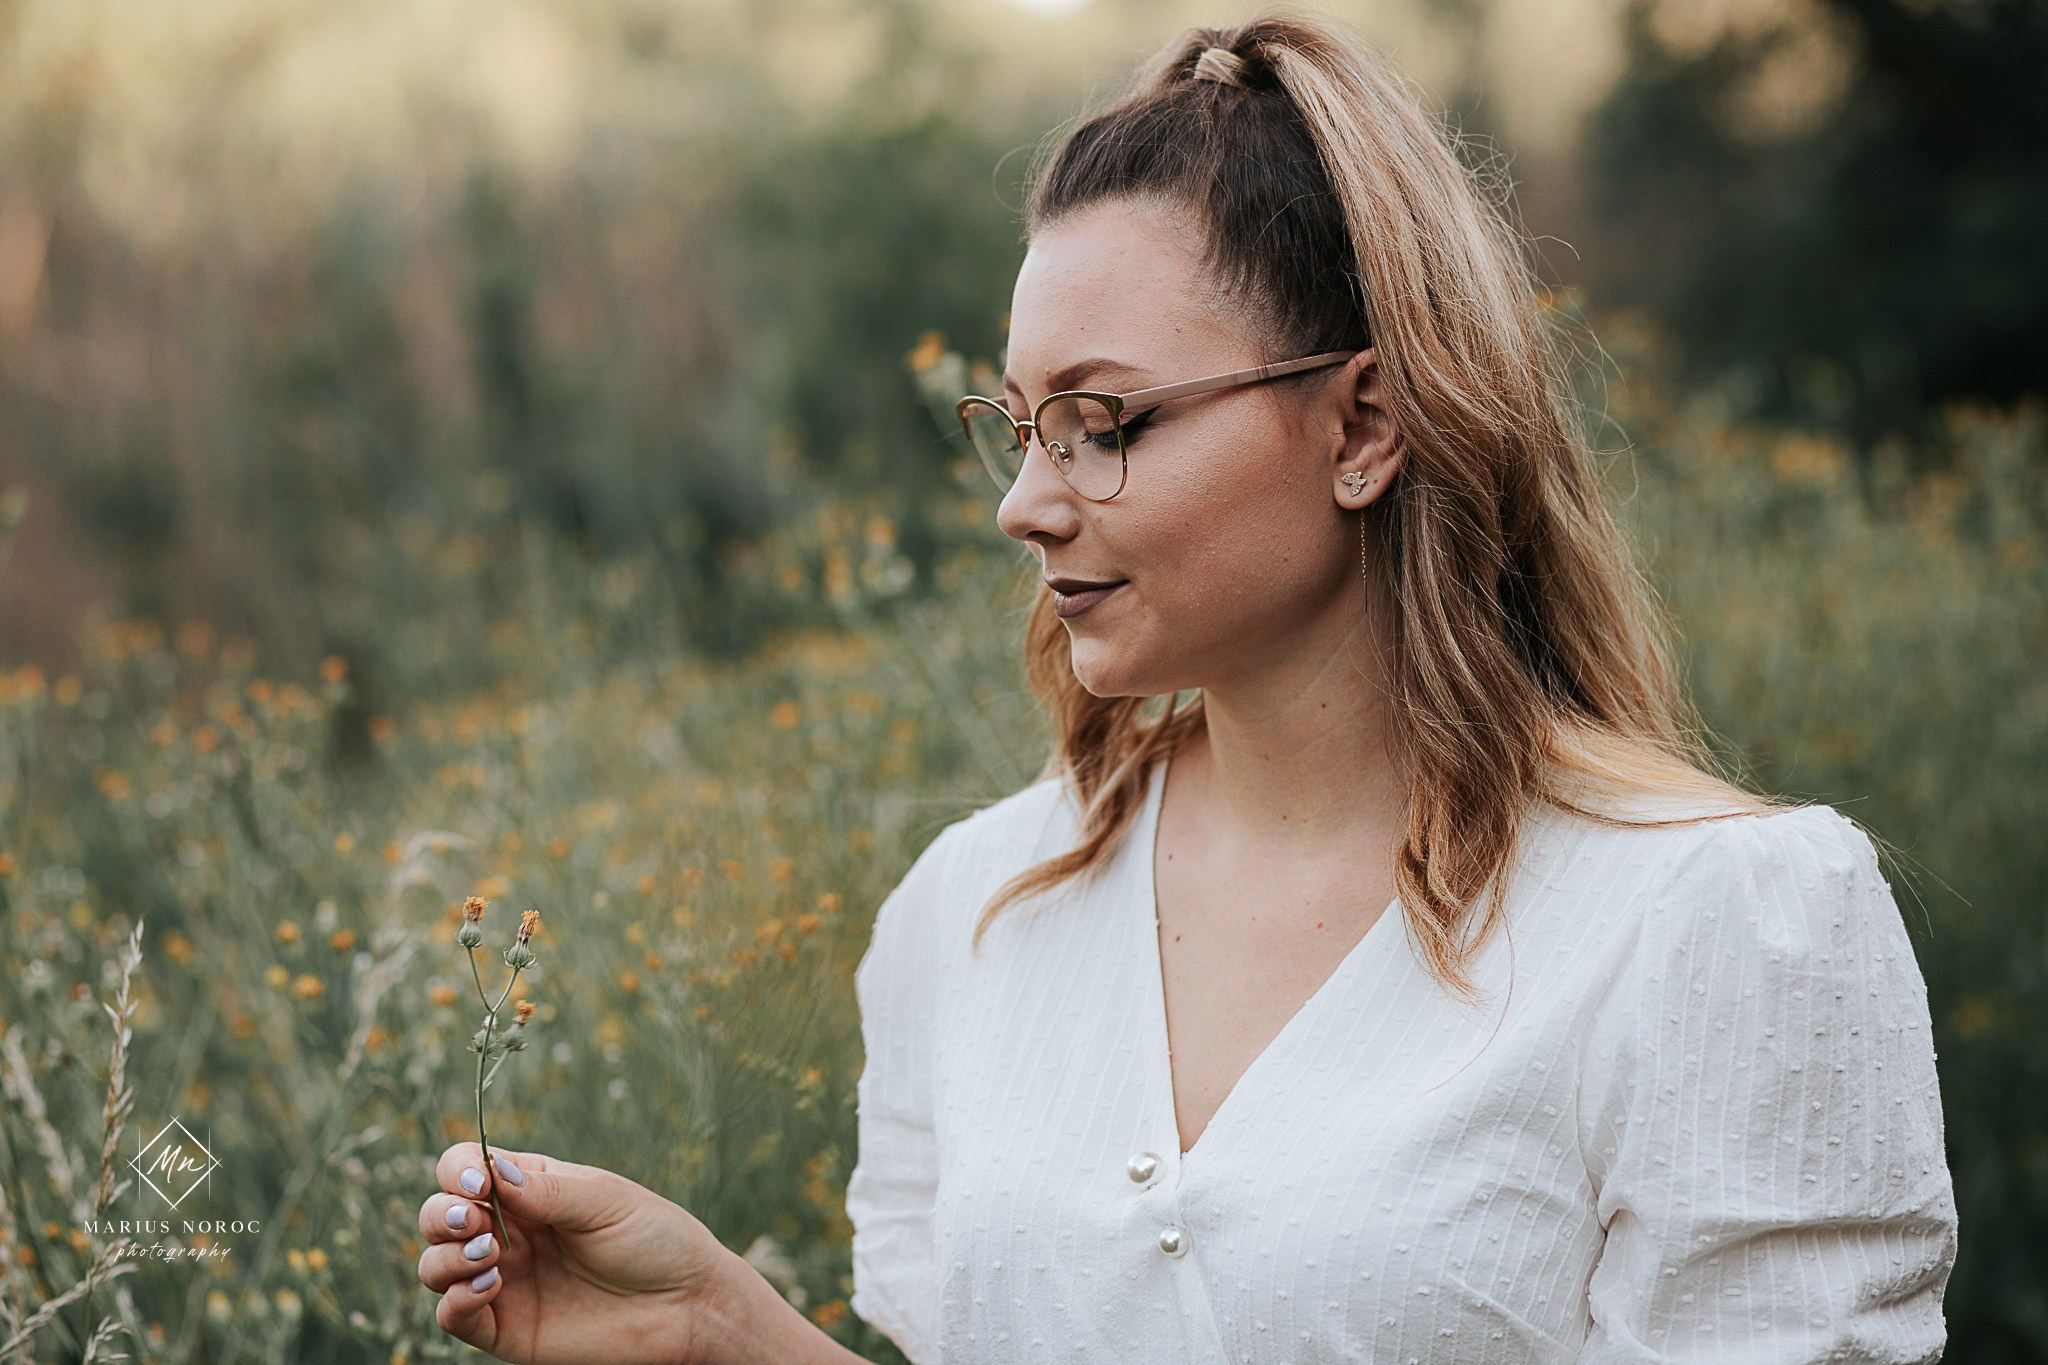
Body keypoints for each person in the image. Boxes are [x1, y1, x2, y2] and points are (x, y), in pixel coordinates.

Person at [415, 11, 1959, 1363]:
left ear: (1364, 422)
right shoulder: (978, 913)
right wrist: (720, 1332)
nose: (1025, 500)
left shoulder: (1714, 927)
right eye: (1017, 425)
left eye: (1104, 421)